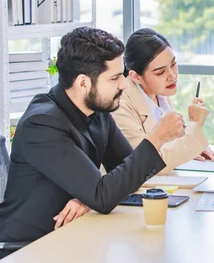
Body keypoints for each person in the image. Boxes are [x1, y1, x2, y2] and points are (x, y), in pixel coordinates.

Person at [0, 27, 200, 255]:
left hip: (77, 236)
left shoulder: (99, 112)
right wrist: (156, 138)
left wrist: (87, 198)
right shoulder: (42, 124)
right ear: (83, 83)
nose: (124, 84)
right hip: (31, 248)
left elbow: (127, 170)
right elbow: (104, 196)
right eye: (115, 78)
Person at [112, 28, 214, 174]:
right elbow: (147, 164)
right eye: (160, 72)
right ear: (136, 77)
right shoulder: (120, 106)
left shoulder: (160, 94)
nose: (172, 75)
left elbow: (170, 143)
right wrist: (194, 126)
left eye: (173, 64)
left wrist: (192, 147)